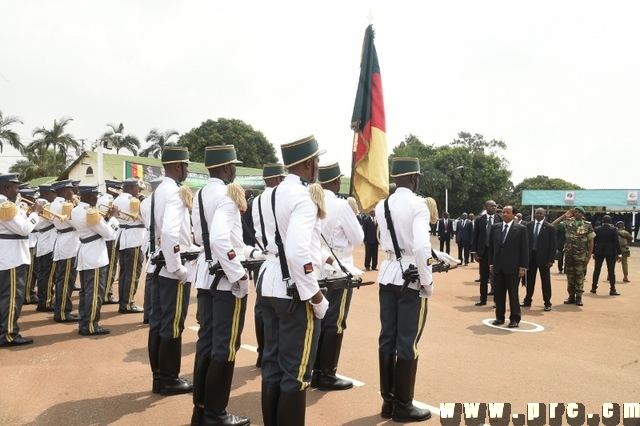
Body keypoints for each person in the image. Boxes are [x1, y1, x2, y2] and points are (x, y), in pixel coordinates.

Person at [256, 135, 328, 426]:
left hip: (269, 279)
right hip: (293, 288)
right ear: (309, 163)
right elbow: (298, 251)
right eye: (318, 160)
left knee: (272, 366)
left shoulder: (270, 193)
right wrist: (315, 295)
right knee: (296, 374)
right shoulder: (303, 196)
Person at [191, 145, 256, 426]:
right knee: (226, 346)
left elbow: (198, 236)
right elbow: (220, 239)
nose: (236, 170)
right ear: (228, 167)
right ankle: (216, 414)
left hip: (206, 275)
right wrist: (238, 273)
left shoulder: (201, 193)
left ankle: (202, 410)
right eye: (235, 166)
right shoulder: (228, 195)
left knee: (206, 343)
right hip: (223, 280)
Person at [374, 157, 433, 422]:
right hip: (410, 278)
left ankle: (388, 401)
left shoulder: (381, 205)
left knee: (387, 338)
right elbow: (421, 247)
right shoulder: (418, 204)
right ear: (414, 178)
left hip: (388, 273)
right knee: (407, 341)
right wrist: (427, 281)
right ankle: (404, 405)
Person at [311, 162, 364, 392]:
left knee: (319, 318)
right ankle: (327, 374)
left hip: (317, 265)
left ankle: (314, 370)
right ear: (335, 181)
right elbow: (358, 237)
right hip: (340, 267)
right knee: (336, 321)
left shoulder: (312, 200)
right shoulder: (342, 206)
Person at [147, 146, 195, 396]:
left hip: (157, 265)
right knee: (173, 325)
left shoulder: (158, 192)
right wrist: (177, 267)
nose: (187, 170)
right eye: (186, 165)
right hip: (170, 269)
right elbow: (168, 233)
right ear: (178, 166)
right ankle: (169, 378)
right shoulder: (175, 193)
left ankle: (159, 377)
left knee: (157, 324)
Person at [72, 184, 120, 335]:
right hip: (95, 255)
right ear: (91, 196)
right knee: (94, 293)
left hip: (85, 252)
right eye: (96, 196)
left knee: (86, 292)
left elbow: (94, 227)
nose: (98, 198)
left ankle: (84, 323)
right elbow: (107, 233)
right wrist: (113, 218)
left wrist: (106, 217)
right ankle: (91, 325)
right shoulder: (90, 212)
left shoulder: (76, 209)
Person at [0, 174, 43, 347]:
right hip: (12, 257)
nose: (18, 191)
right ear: (7, 188)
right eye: (16, 187)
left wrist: (27, 214)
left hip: (8, 254)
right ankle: (8, 334)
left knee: (5, 297)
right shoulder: (5, 205)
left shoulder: (7, 204)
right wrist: (36, 214)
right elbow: (24, 229)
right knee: (11, 298)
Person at [251, 163, 286, 368]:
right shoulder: (279, 197)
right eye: (280, 178)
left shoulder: (256, 201)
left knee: (261, 307)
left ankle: (262, 351)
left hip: (263, 256)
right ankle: (275, 353)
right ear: (276, 179)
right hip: (280, 258)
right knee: (281, 308)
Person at [488, 206, 529, 328]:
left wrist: (523, 267)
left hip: (513, 267)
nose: (504, 214)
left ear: (513, 215)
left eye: (508, 212)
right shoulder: (495, 228)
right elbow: (491, 247)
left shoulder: (521, 229)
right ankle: (499, 317)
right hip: (498, 267)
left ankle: (515, 318)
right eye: (503, 212)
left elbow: (524, 249)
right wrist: (491, 264)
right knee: (499, 294)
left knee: (513, 294)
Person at [113, 178, 146, 313]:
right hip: (134, 238)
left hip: (122, 237)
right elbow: (144, 218)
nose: (138, 191)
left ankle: (123, 301)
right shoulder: (134, 201)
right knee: (132, 273)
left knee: (124, 273)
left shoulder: (117, 200)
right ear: (132, 188)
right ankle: (127, 303)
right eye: (137, 188)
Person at [552, 206, 595, 306]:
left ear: (583, 214)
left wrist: (588, 257)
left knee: (579, 275)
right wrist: (564, 216)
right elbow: (553, 225)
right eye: (575, 212)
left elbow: (591, 241)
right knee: (570, 275)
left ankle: (579, 297)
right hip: (569, 254)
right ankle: (571, 296)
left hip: (581, 254)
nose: (577, 214)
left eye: (579, 212)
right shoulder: (567, 223)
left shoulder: (587, 225)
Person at [49, 180, 79, 323]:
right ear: (63, 192)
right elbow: (75, 222)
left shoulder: (56, 203)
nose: (73, 192)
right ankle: (62, 312)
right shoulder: (65, 205)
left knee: (63, 279)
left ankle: (62, 310)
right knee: (66, 280)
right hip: (68, 244)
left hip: (64, 241)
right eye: (70, 190)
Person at [521, 208, 556, 311]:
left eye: (541, 213)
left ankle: (547, 302)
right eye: (537, 213)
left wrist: (551, 260)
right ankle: (527, 300)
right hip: (530, 257)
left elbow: (553, 245)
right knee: (530, 280)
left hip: (544, 259)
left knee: (545, 281)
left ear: (544, 214)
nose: (539, 214)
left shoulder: (549, 227)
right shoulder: (528, 226)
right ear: (534, 214)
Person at [139, 177, 163, 325]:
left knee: (151, 277)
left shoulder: (144, 202)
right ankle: (154, 312)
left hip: (149, 239)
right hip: (158, 241)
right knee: (159, 278)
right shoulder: (159, 201)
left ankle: (148, 312)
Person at [471, 200, 502, 306]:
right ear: (486, 207)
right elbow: (475, 236)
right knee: (483, 277)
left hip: (496, 252)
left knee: (497, 276)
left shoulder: (500, 219)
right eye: (492, 206)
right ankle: (482, 299)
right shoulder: (480, 219)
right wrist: (474, 252)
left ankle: (497, 301)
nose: (494, 207)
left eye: (495, 206)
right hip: (483, 252)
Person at [98, 180, 123, 305]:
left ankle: (103, 292)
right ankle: (107, 294)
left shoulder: (101, 199)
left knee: (105, 268)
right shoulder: (110, 201)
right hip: (110, 237)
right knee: (111, 267)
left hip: (103, 237)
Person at [34, 185, 58, 313]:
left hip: (44, 238)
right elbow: (55, 220)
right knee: (48, 274)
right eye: (54, 194)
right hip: (49, 239)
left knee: (43, 273)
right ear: (48, 194)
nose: (55, 196)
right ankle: (46, 302)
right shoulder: (46, 205)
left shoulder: (38, 203)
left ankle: (43, 300)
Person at [590, 215, 622, 296]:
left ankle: (594, 287)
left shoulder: (597, 229)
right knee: (611, 271)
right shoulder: (614, 229)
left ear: (602, 221)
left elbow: (594, 241)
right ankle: (612, 289)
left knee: (597, 270)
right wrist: (619, 253)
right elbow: (616, 242)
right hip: (610, 252)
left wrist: (593, 252)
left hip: (599, 251)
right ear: (610, 221)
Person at [18, 187, 39, 305]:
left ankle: (29, 292)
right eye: (32, 198)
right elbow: (30, 226)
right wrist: (34, 214)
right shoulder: (21, 208)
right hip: (29, 240)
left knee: (33, 270)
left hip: (33, 240)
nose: (34, 200)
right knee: (30, 271)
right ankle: (27, 295)